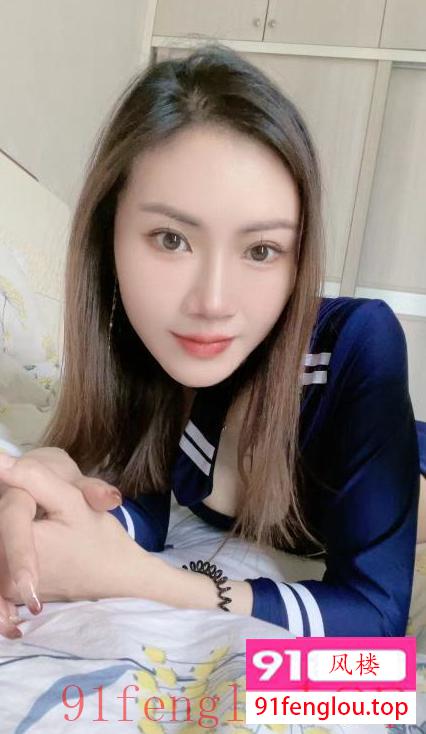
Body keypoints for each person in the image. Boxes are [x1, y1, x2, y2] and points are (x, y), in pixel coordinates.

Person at [0, 43, 423, 641]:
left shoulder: (357, 345)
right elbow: (138, 505)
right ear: (108, 235)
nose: (213, 302)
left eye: (261, 250)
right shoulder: (145, 348)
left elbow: (378, 629)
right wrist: (54, 487)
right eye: (171, 240)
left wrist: (143, 581)